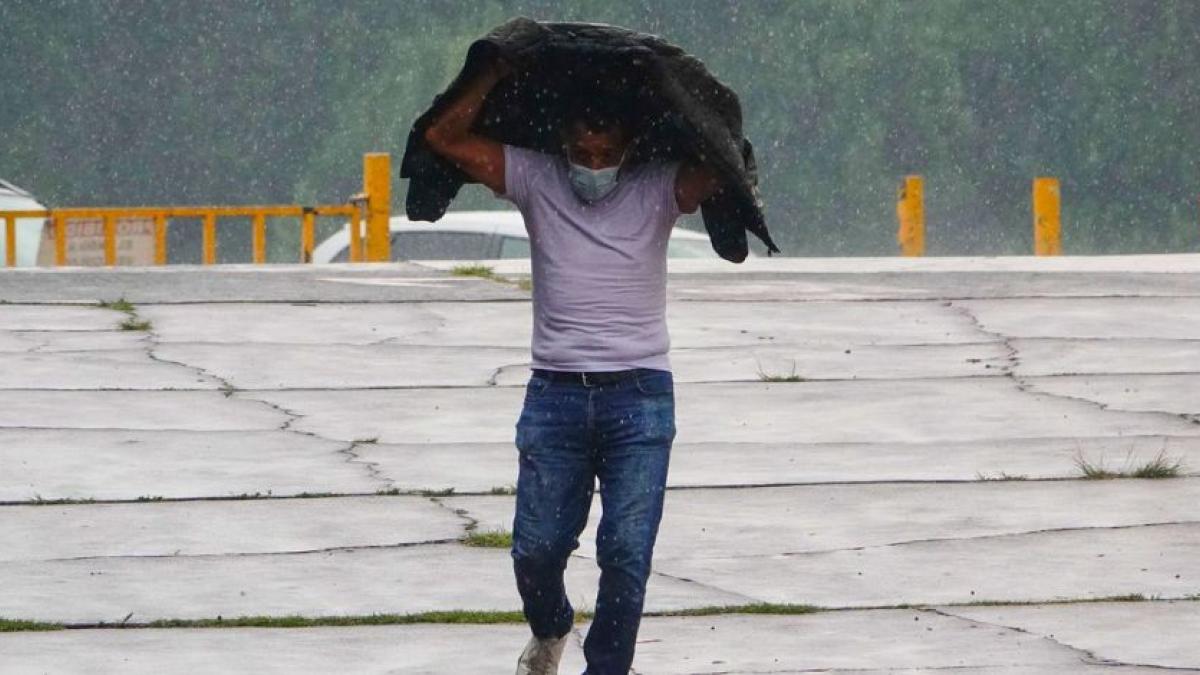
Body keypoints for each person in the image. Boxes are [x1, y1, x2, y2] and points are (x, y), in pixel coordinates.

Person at [423, 55, 721, 675]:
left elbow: (721, 162)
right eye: (581, 153)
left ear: (628, 146)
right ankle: (552, 626)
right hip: (555, 394)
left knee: (627, 550)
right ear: (562, 144)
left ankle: (607, 667)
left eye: (605, 153)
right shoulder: (535, 178)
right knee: (536, 550)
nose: (592, 166)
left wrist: (678, 92)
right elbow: (443, 138)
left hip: (640, 396)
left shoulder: (659, 185)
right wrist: (491, 71)